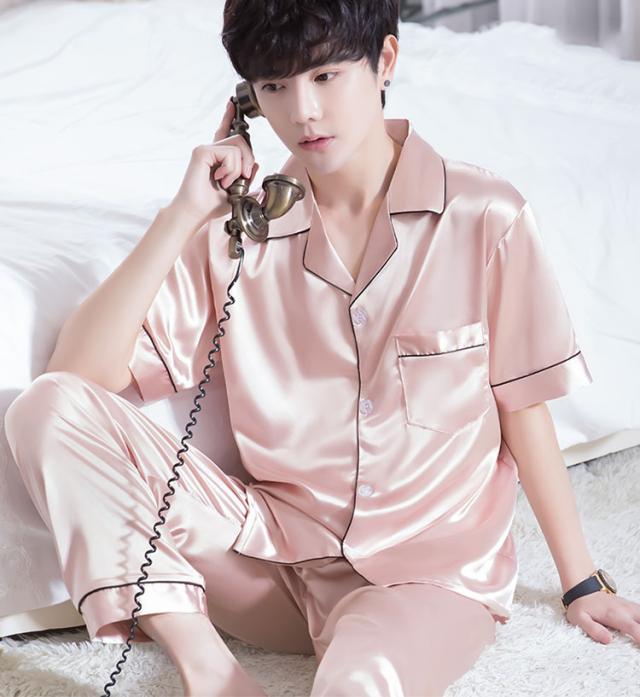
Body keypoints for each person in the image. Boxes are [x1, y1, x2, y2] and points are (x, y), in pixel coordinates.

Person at [6, 1, 621, 695]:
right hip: (269, 558)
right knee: (45, 406)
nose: (302, 112)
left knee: (358, 684)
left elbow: (523, 406)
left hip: (423, 580)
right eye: (274, 86)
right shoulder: (241, 233)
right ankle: (211, 672)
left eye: (326, 76)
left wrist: (580, 581)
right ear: (248, 99)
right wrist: (184, 214)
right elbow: (78, 379)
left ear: (384, 62)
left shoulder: (485, 215)